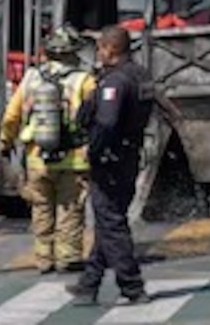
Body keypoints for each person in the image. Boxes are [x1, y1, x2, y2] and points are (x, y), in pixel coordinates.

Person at [67, 26, 154, 305]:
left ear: (110, 49)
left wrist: (92, 151)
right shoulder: (140, 75)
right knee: (109, 220)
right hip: (129, 156)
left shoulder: (114, 82)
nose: (98, 54)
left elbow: (106, 123)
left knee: (112, 222)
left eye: (101, 49)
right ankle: (89, 283)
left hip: (110, 160)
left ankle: (132, 285)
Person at [0, 26, 96, 274]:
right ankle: (68, 257)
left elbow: (11, 116)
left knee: (41, 208)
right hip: (73, 159)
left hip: (37, 158)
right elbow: (97, 116)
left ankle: (44, 259)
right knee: (70, 209)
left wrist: (5, 141)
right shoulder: (84, 80)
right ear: (73, 52)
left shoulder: (31, 78)